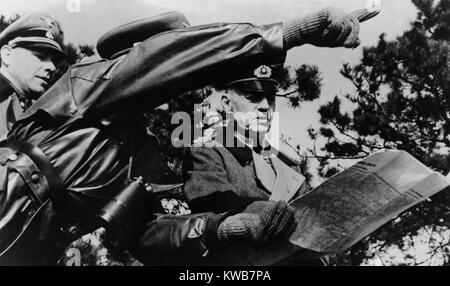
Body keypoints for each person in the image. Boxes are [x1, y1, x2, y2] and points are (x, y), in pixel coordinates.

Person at [0, 7, 378, 265]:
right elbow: (165, 58)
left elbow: (148, 235)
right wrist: (292, 33)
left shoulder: (142, 153)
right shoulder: (83, 83)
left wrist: (225, 229)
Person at [0, 13, 65, 138]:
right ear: (7, 54)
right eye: (40, 56)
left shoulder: (24, 103)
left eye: (54, 61)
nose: (52, 67)